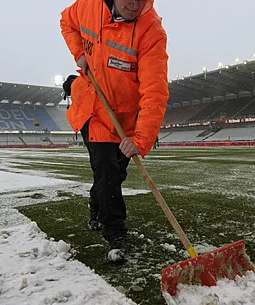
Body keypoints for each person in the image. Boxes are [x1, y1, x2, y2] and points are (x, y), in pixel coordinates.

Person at [60, 0, 169, 263]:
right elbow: (67, 22)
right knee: (107, 171)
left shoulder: (151, 31)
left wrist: (141, 139)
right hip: (92, 107)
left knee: (115, 173)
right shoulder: (89, 6)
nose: (135, 4)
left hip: (123, 117)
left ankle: (97, 205)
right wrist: (80, 54)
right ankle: (115, 235)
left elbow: (154, 90)